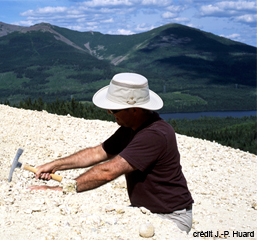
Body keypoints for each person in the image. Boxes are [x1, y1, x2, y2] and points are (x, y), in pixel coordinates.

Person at [28, 73, 194, 233]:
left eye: (114, 109)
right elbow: (97, 153)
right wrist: (56, 165)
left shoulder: (154, 135)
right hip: (147, 212)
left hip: (170, 217)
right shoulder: (131, 128)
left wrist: (62, 189)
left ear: (134, 109)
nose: (109, 112)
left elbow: (108, 172)